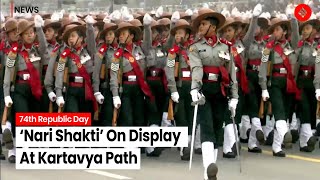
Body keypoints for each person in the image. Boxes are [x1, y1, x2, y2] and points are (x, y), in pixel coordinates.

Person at [189, 8, 238, 180]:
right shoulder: (195, 47)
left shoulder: (226, 46)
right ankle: (208, 167)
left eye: (203, 23)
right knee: (207, 126)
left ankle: (212, 170)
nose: (200, 27)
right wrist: (194, 89)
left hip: (221, 90)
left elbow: (232, 73)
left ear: (213, 26)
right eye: (200, 24)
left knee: (217, 127)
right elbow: (196, 68)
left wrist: (234, 98)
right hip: (204, 90)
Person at [3, 18, 47, 163]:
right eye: (26, 33)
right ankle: (16, 150)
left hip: (35, 90)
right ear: (20, 36)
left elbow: (45, 47)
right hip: (20, 90)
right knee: (23, 118)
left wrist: (40, 29)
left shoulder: (37, 49)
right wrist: (7, 94)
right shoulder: (13, 53)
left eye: (32, 32)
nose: (30, 35)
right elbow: (8, 75)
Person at [259, 14, 299, 157]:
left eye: (277, 29)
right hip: (274, 82)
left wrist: (294, 20)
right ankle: (285, 133)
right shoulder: (267, 48)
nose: (274, 33)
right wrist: (263, 87)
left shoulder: (292, 45)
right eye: (273, 30)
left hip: (288, 83)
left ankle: (277, 146)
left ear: (284, 32)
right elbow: (263, 66)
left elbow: (296, 35)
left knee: (285, 112)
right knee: (278, 109)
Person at [165, 19, 193, 160]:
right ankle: (184, 147)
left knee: (190, 117)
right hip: (180, 88)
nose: (177, 36)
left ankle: (188, 143)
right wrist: (173, 89)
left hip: (192, 88)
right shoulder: (172, 52)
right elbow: (169, 70)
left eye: (180, 33)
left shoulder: (194, 49)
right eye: (176, 33)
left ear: (187, 35)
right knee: (181, 117)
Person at [298, 14, 320, 152]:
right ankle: (304, 140)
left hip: (314, 81)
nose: (305, 31)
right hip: (301, 81)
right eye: (303, 29)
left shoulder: (317, 47)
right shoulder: (299, 44)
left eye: (308, 28)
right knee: (304, 108)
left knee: (312, 109)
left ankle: (307, 138)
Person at [92, 22, 118, 126]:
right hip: (106, 87)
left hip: (121, 86)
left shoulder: (120, 49)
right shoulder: (101, 51)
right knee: (107, 116)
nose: (108, 37)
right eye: (106, 35)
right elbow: (96, 72)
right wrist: (96, 91)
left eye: (111, 34)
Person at [0, 18, 19, 161]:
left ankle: (13, 151)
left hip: (16, 86)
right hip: (3, 84)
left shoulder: (21, 46)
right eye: (12, 32)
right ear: (7, 34)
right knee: (3, 113)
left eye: (17, 31)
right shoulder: (2, 48)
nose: (15, 34)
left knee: (13, 117)